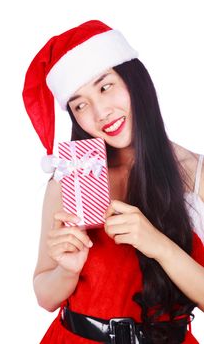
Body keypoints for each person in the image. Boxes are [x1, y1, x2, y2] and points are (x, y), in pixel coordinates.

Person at [22, 20, 204, 344]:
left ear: (134, 80)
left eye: (105, 86)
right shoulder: (71, 179)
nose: (100, 112)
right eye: (80, 104)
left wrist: (159, 245)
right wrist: (67, 270)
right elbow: (45, 296)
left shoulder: (195, 173)